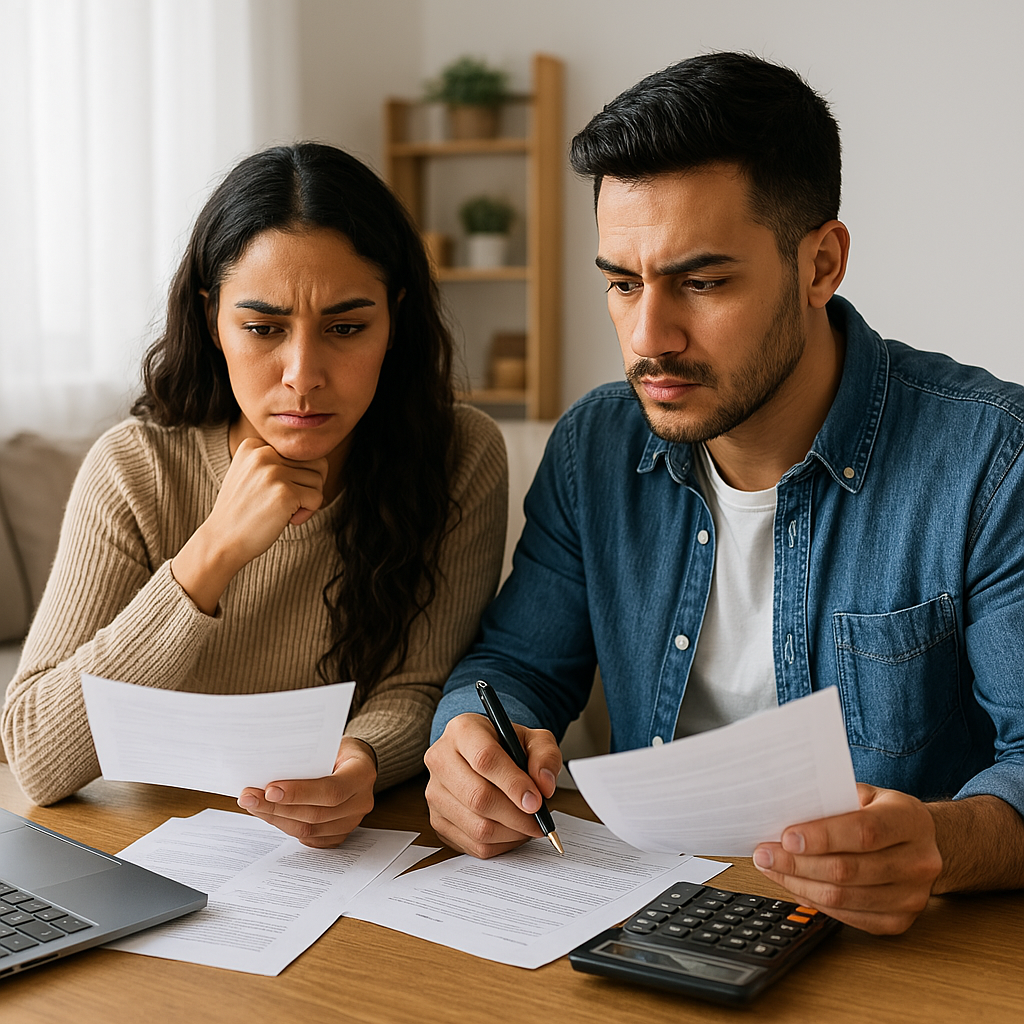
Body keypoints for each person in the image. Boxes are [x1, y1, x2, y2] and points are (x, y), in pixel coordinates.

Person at [424, 53, 1024, 933]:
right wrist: (471, 748)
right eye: (622, 283)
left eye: (701, 283)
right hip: (646, 920)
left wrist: (944, 843)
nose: (647, 337)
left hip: (908, 953)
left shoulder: (991, 460)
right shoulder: (597, 446)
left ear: (821, 264)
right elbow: (513, 668)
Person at [2, 142, 507, 847]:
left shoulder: (460, 454)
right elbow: (35, 753)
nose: (303, 374)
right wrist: (211, 553)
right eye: (263, 328)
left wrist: (359, 762)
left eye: (346, 328)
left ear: (393, 319)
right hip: (156, 842)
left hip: (348, 850)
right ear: (213, 319)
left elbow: (417, 685)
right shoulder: (133, 467)